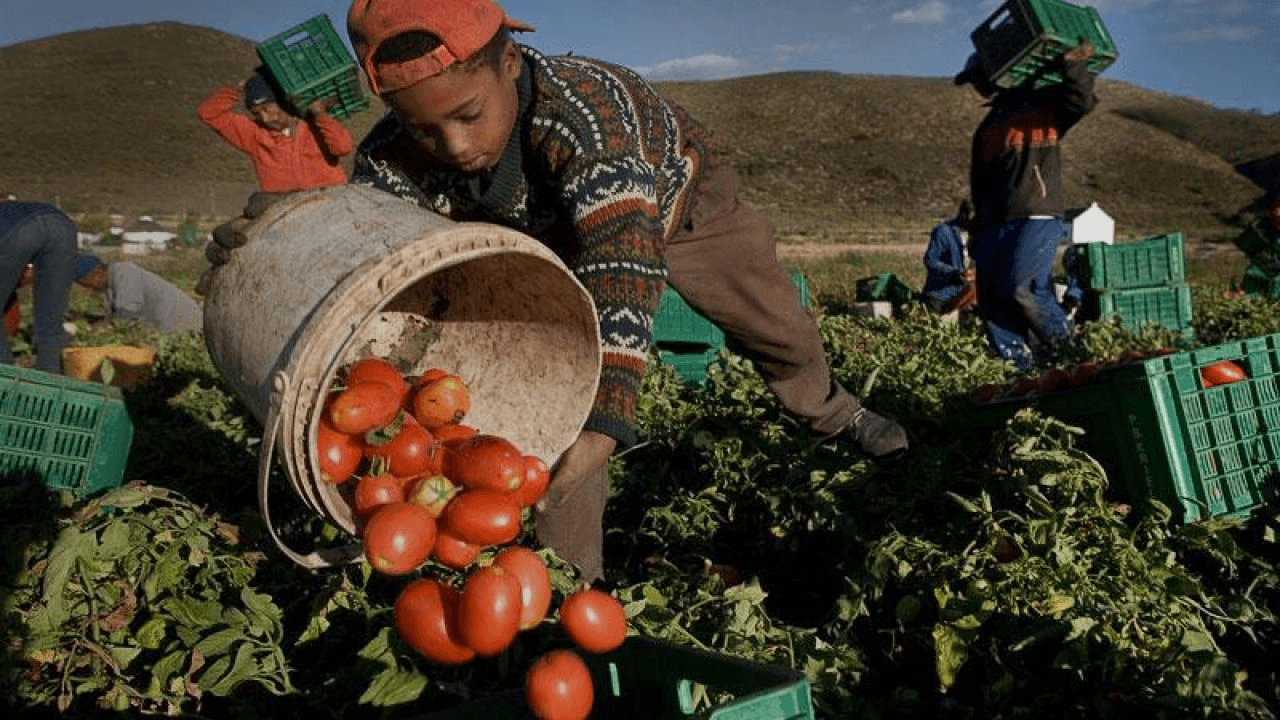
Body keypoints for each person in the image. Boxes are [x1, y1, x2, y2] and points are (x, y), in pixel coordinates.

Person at [341, 0, 907, 583]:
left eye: (467, 114)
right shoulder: (390, 157)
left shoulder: (586, 111)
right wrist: (292, 231)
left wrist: (609, 417)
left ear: (509, 62)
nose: (455, 146)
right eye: (424, 130)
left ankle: (833, 411)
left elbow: (621, 261)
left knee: (775, 324)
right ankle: (571, 581)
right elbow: (361, 239)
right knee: (561, 413)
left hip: (676, 206)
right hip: (538, 252)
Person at [955, 43, 1098, 370]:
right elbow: (982, 186)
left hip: (1036, 214)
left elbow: (1081, 101)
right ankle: (1019, 373)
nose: (976, 86)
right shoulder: (987, 128)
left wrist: (1074, 67)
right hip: (993, 224)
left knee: (1026, 290)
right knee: (994, 302)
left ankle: (1072, 358)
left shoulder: (1044, 108)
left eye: (977, 78)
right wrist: (975, 228)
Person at [197, 69, 355, 194]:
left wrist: (321, 116)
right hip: (282, 206)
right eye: (256, 113)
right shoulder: (254, 135)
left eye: (267, 108)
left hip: (329, 198)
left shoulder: (316, 126)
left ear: (282, 103)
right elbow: (208, 113)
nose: (264, 118)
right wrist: (238, 88)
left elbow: (343, 147)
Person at [0, 196, 79, 373]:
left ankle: (5, 388)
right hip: (61, 224)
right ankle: (56, 391)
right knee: (50, 327)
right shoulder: (15, 208)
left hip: (17, 233)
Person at [74, 255, 204, 334]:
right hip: (165, 326)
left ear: (97, 273)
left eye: (86, 283)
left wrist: (95, 329)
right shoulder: (110, 283)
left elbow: (126, 314)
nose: (89, 288)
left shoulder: (124, 273)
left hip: (182, 325)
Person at [922, 199, 977, 315]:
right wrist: (956, 273)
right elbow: (931, 261)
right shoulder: (943, 231)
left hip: (965, 294)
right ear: (964, 215)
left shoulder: (977, 234)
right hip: (940, 294)